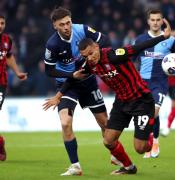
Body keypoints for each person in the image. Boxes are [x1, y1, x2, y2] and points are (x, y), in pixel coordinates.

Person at [43, 18, 171, 175]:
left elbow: (139, 47)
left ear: (97, 47)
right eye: (85, 56)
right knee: (108, 141)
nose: (89, 58)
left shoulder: (114, 55)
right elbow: (74, 78)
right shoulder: (89, 64)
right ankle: (129, 167)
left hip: (141, 100)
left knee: (141, 148)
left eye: (91, 53)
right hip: (122, 102)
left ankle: (149, 135)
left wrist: (163, 37)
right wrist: (59, 95)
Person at [43, 7, 110, 176]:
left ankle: (115, 155)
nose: (66, 27)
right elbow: (49, 71)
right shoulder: (52, 44)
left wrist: (92, 53)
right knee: (65, 123)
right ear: (55, 26)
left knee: (105, 124)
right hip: (67, 85)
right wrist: (71, 75)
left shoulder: (82, 30)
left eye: (68, 22)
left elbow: (105, 40)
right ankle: (75, 166)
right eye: (62, 24)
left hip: (88, 82)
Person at [133, 9, 175, 158]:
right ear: (148, 21)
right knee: (149, 114)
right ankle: (151, 140)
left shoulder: (170, 40)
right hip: (142, 81)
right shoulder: (140, 40)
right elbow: (132, 60)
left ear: (162, 21)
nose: (155, 22)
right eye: (152, 20)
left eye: (158, 20)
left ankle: (155, 142)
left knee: (154, 111)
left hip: (160, 82)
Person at [0, 15, 27, 161]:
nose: (0, 25)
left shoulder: (6, 40)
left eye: (2, 23)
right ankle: (0, 142)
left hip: (0, 83)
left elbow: (9, 56)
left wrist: (17, 72)